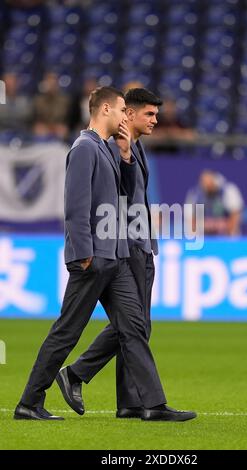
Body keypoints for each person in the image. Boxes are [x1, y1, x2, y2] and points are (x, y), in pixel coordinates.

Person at [14, 86, 168, 421]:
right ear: (106, 110)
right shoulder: (85, 148)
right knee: (67, 331)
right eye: (122, 109)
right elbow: (76, 206)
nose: (125, 116)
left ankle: (153, 405)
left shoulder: (105, 148)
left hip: (113, 256)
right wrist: (83, 252)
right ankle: (29, 402)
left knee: (135, 326)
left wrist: (126, 155)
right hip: (93, 258)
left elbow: (121, 197)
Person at [56, 88, 197, 422]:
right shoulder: (107, 149)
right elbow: (112, 199)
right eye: (149, 114)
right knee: (135, 324)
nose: (155, 120)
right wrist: (124, 156)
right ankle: (81, 375)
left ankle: (127, 401)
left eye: (156, 114)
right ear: (128, 114)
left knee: (134, 325)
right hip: (124, 245)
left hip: (140, 244)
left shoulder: (135, 147)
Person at [185, 169, 244, 236]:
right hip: (203, 236)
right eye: (204, 182)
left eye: (209, 182)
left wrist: (223, 227)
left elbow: (235, 215)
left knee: (234, 232)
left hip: (225, 235)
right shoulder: (195, 194)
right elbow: (190, 219)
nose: (207, 185)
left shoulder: (228, 191)